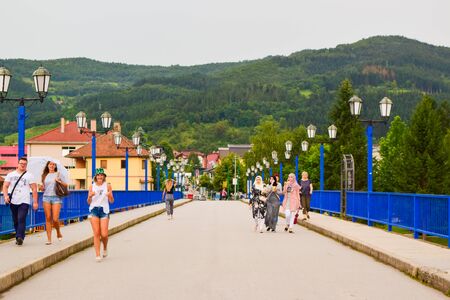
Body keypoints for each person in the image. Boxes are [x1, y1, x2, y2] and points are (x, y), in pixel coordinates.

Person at [2, 157, 38, 246]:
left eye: (25, 164)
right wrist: (5, 196)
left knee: (21, 218)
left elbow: (34, 189)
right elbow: (5, 186)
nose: (23, 165)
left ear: (26, 165)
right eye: (21, 163)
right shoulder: (10, 175)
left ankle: (19, 237)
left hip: (24, 201)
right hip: (13, 201)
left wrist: (35, 202)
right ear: (18, 164)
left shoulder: (29, 175)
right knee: (15, 220)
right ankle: (19, 236)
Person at [87, 168, 114, 262]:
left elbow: (112, 201)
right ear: (96, 177)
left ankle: (105, 248)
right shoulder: (91, 186)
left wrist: (109, 195)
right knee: (96, 233)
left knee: (104, 234)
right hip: (94, 209)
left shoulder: (108, 186)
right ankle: (97, 254)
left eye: (102, 175)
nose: (100, 177)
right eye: (98, 175)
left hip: (104, 210)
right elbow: (88, 202)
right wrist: (90, 196)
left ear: (104, 177)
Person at [39, 160, 68, 245]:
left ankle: (58, 232)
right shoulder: (44, 175)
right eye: (50, 164)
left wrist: (59, 181)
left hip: (56, 198)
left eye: (53, 164)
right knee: (48, 218)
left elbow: (66, 185)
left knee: (55, 219)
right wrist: (41, 187)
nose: (51, 166)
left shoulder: (58, 174)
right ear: (47, 166)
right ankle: (49, 239)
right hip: (46, 198)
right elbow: (43, 188)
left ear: (55, 166)